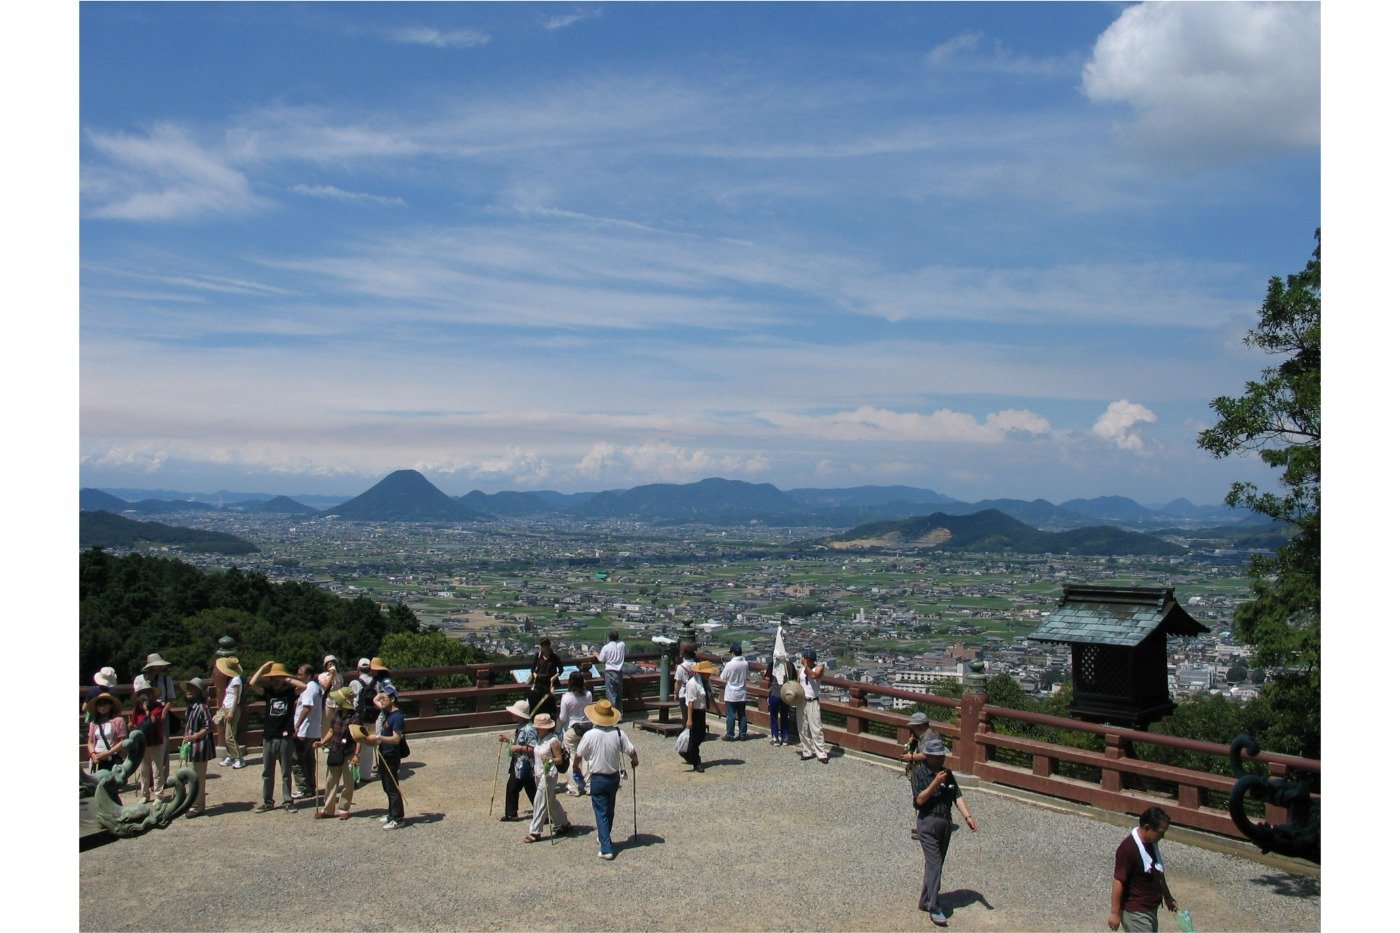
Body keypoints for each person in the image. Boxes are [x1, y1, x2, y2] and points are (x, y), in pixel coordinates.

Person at [910, 735, 978, 926]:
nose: (941, 759)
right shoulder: (919, 774)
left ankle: (924, 900)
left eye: (943, 756)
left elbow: (957, 795)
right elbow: (919, 801)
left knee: (935, 864)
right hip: (927, 822)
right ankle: (934, 906)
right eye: (937, 756)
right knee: (935, 865)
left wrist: (968, 817)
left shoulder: (947, 773)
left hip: (945, 822)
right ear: (928, 756)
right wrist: (934, 783)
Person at [573, 698, 638, 861]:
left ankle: (606, 847)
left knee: (601, 811)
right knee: (609, 809)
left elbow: (579, 755)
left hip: (598, 777)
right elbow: (632, 751)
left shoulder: (590, 735)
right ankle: (604, 836)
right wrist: (634, 761)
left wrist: (575, 769)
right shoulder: (618, 733)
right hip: (613, 777)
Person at [249, 660, 305, 812]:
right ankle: (268, 801)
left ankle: (288, 801)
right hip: (269, 736)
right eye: (273, 678)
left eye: (277, 679)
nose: (275, 681)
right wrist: (262, 668)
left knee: (286, 772)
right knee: (267, 772)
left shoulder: (289, 692)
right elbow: (252, 683)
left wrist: (285, 678)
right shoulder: (268, 692)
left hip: (285, 736)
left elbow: (303, 686)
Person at [1110, 808, 1177, 932]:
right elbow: (1118, 880)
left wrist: (1167, 897)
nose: (1162, 836)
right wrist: (1114, 913)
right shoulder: (1128, 848)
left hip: (1150, 909)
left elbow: (1158, 872)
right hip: (1136, 913)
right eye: (1160, 832)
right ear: (1147, 827)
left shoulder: (1151, 843)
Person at [360, 686, 407, 829]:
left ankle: (398, 818)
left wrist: (378, 737)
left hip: (391, 754)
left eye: (385, 699)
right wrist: (382, 693)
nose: (381, 701)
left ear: (392, 699)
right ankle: (391, 813)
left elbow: (396, 739)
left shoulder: (397, 717)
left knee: (392, 787)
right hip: (384, 752)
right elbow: (375, 700)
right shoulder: (387, 712)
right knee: (386, 786)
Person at [313, 686, 361, 820]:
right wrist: (322, 742)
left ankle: (344, 808)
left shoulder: (356, 716)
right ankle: (328, 809)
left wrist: (357, 754)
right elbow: (331, 731)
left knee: (348, 782)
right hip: (335, 750)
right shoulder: (336, 714)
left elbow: (358, 737)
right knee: (330, 781)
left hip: (349, 753)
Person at [524, 713, 573, 842]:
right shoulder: (539, 739)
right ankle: (563, 823)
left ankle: (535, 831)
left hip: (549, 774)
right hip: (539, 773)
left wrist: (549, 759)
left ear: (546, 727)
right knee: (550, 800)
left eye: (539, 727)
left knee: (539, 801)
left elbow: (559, 759)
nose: (536, 729)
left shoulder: (553, 740)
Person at [129, 675, 170, 804]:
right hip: (143, 743)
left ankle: (159, 795)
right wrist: (131, 726)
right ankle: (145, 794)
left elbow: (153, 720)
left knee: (157, 769)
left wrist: (147, 708)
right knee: (144, 769)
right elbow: (137, 725)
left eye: (147, 693)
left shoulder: (158, 706)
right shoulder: (137, 710)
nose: (145, 696)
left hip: (156, 741)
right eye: (142, 693)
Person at [497, 699, 539, 822]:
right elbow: (518, 742)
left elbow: (534, 748)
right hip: (518, 763)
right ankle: (511, 813)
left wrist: (518, 747)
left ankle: (545, 813)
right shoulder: (521, 726)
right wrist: (508, 740)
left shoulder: (529, 729)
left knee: (529, 789)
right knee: (514, 787)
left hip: (526, 764)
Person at [179, 677, 216, 817]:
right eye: (187, 688)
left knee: (198, 777)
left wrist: (194, 736)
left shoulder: (202, 707)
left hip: (200, 747)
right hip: (190, 745)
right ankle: (193, 803)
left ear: (198, 692)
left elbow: (208, 727)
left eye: (192, 688)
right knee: (191, 776)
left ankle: (198, 806)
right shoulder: (190, 706)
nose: (188, 691)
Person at [556, 671, 592, 796]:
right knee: (586, 757)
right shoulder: (588, 695)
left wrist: (558, 728)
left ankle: (574, 787)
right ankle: (588, 786)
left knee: (572, 758)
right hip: (587, 728)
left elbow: (562, 717)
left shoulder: (566, 697)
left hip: (572, 729)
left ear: (570, 682)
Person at [293, 663, 324, 801]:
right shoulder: (316, 687)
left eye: (301, 674)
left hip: (305, 730)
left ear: (309, 675)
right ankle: (311, 786)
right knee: (309, 759)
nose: (298, 676)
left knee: (298, 759)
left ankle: (303, 788)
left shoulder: (309, 688)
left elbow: (307, 707)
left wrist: (297, 724)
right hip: (314, 729)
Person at [680, 660, 718, 773]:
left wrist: (716, 708)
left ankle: (687, 752)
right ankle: (696, 762)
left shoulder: (706, 682)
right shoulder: (693, 684)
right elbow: (690, 703)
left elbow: (709, 695)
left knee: (701, 735)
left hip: (701, 712)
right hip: (694, 712)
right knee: (694, 737)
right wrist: (689, 719)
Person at [795, 648, 829, 763]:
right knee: (802, 728)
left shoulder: (819, 667)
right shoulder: (800, 670)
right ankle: (807, 751)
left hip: (813, 701)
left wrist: (806, 667)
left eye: (804, 658)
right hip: (802, 701)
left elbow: (814, 676)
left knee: (816, 728)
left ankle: (821, 753)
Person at [215, 656, 245, 768]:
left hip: (232, 709)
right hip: (226, 708)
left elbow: (236, 697)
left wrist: (231, 712)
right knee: (228, 735)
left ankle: (239, 758)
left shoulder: (236, 679)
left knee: (229, 736)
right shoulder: (232, 679)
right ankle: (230, 756)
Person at [86, 692, 128, 773]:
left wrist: (108, 753)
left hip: (113, 756)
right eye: (99, 704)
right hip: (97, 757)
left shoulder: (118, 721)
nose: (102, 706)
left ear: (111, 705)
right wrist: (92, 754)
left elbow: (123, 740)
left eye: (105, 703)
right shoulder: (94, 723)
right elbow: (90, 742)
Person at [526, 638, 565, 721]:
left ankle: (550, 718)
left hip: (549, 683)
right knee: (538, 700)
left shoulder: (554, 657)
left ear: (547, 646)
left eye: (542, 646)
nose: (541, 648)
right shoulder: (538, 655)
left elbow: (561, 670)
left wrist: (554, 678)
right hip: (539, 682)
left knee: (549, 701)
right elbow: (532, 668)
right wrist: (535, 675)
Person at [720, 643, 750, 741]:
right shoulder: (745, 663)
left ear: (733, 653)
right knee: (742, 714)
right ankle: (743, 734)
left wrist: (725, 667)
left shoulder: (729, 665)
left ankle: (730, 735)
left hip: (731, 693)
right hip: (742, 692)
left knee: (731, 715)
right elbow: (746, 676)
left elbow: (723, 677)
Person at [764, 657, 797, 746]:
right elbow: (794, 678)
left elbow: (767, 678)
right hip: (786, 694)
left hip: (774, 693)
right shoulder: (790, 665)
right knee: (785, 716)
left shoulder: (772, 664)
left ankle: (775, 737)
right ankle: (785, 737)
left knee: (774, 716)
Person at [593, 631, 627, 712]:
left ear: (609, 638)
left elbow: (601, 659)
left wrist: (596, 654)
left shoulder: (606, 647)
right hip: (619, 672)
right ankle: (620, 715)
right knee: (619, 694)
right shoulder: (622, 644)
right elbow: (626, 652)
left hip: (610, 672)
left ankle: (612, 715)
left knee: (611, 695)